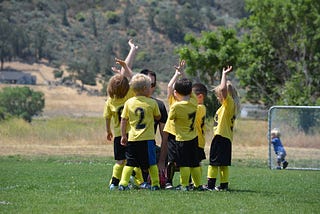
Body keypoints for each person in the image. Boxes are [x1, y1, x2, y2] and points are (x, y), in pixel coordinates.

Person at [103, 40, 144, 190]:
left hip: (118, 135)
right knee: (134, 160)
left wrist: (108, 131)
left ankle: (114, 182)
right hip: (131, 134)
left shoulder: (110, 101)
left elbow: (107, 117)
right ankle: (139, 182)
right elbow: (130, 76)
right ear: (127, 87)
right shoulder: (130, 94)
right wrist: (132, 52)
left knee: (120, 161)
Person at [164, 60, 204, 191]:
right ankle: (198, 185)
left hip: (181, 139)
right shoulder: (193, 101)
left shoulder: (175, 106)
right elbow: (188, 90)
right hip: (193, 138)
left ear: (176, 92)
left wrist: (178, 75)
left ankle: (184, 185)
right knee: (194, 164)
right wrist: (181, 74)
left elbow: (171, 118)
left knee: (184, 164)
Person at [118, 73, 161, 191]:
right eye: (150, 86)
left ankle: (123, 183)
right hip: (147, 139)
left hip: (133, 139)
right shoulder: (152, 103)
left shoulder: (129, 103)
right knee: (151, 163)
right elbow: (158, 117)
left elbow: (123, 120)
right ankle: (156, 184)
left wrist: (123, 135)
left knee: (130, 163)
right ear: (145, 89)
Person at [206, 65, 240, 191]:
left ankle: (210, 186)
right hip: (226, 138)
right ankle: (223, 186)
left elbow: (223, 88)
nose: (217, 97)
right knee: (223, 164)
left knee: (213, 163)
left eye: (218, 95)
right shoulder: (227, 107)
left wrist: (224, 74)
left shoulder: (228, 103)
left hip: (220, 138)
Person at [140, 69, 168, 188]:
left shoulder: (159, 105)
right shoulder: (130, 102)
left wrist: (162, 161)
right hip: (133, 147)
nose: (150, 87)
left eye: (153, 84)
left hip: (149, 147)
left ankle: (165, 179)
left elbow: (164, 136)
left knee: (170, 150)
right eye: (147, 84)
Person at [192, 82, 208, 187]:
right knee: (193, 162)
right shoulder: (199, 107)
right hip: (196, 140)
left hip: (197, 141)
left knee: (196, 163)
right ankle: (193, 183)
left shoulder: (200, 108)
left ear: (200, 97)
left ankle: (196, 184)